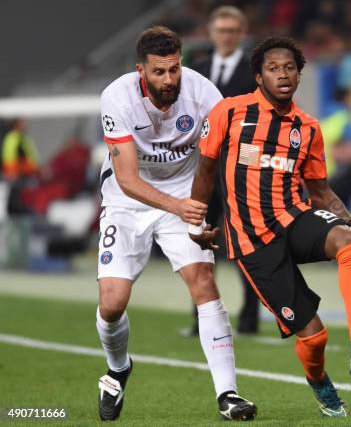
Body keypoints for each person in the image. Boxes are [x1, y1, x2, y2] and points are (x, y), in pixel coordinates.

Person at [190, 36, 351, 417]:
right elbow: (206, 169)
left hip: (295, 216)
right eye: (273, 68)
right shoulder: (229, 113)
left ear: (299, 76)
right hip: (252, 241)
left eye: (290, 68)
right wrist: (199, 220)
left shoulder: (307, 128)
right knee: (315, 336)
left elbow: (320, 191)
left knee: (346, 242)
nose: (283, 74)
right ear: (258, 76)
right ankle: (320, 382)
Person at [95, 26, 256, 421]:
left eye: (174, 69)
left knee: (203, 281)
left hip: (186, 195)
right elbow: (129, 179)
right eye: (159, 72)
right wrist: (180, 207)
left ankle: (228, 394)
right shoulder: (117, 98)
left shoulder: (203, 94)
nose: (169, 80)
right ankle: (118, 369)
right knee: (112, 304)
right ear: (141, 71)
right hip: (125, 201)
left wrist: (211, 209)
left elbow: (226, 156)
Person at [187, 5, 260, 337]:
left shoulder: (255, 71)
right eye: (222, 30)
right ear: (211, 33)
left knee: (245, 243)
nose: (227, 36)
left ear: (241, 33)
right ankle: (201, 319)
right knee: (198, 242)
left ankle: (250, 317)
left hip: (239, 170)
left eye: (233, 30)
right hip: (203, 169)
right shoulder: (196, 70)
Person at [320, 87, 351, 208]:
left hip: (325, 169)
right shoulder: (344, 118)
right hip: (341, 171)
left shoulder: (325, 117)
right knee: (343, 211)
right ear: (346, 98)